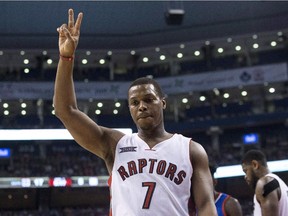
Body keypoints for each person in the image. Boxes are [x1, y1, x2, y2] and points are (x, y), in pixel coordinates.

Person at [53, 8, 217, 216]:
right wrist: (66, 58)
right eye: (134, 102)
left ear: (163, 103)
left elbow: (205, 206)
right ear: (129, 108)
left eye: (149, 99)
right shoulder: (115, 144)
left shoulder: (191, 150)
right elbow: (65, 110)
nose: (142, 106)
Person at [241, 149, 288, 216]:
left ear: (255, 164)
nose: (245, 177)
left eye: (246, 171)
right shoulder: (280, 183)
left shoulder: (264, 183)